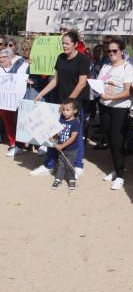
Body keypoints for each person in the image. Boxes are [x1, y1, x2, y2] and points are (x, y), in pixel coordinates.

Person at [33, 30, 90, 177]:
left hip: (75, 104)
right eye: (62, 43)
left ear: (76, 44)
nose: (64, 46)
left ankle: (77, 165)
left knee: (76, 134)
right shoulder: (60, 58)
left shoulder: (83, 60)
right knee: (54, 133)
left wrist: (69, 103)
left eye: (67, 43)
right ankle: (49, 165)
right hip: (60, 103)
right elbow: (55, 80)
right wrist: (41, 94)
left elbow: (82, 83)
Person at [97, 37, 133, 190]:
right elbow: (100, 83)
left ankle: (120, 175)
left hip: (120, 108)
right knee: (109, 139)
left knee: (117, 140)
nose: (111, 53)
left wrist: (111, 95)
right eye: (109, 51)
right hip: (105, 106)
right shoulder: (106, 67)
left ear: (121, 52)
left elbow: (128, 92)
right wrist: (102, 89)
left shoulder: (127, 68)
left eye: (114, 51)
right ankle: (116, 168)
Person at [0, 46, 28, 157]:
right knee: (8, 123)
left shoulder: (20, 68)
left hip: (16, 102)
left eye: (4, 57)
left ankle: (21, 144)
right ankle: (12, 143)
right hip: (2, 103)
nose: (2, 59)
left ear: (10, 58)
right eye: (0, 57)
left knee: (18, 122)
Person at [51, 99, 80, 190]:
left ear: (74, 111)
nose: (65, 112)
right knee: (61, 164)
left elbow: (72, 138)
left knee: (69, 164)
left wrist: (62, 146)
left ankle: (72, 179)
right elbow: (58, 132)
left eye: (68, 110)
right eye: (63, 110)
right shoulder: (61, 121)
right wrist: (53, 136)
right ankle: (58, 179)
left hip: (71, 149)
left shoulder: (75, 123)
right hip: (61, 148)